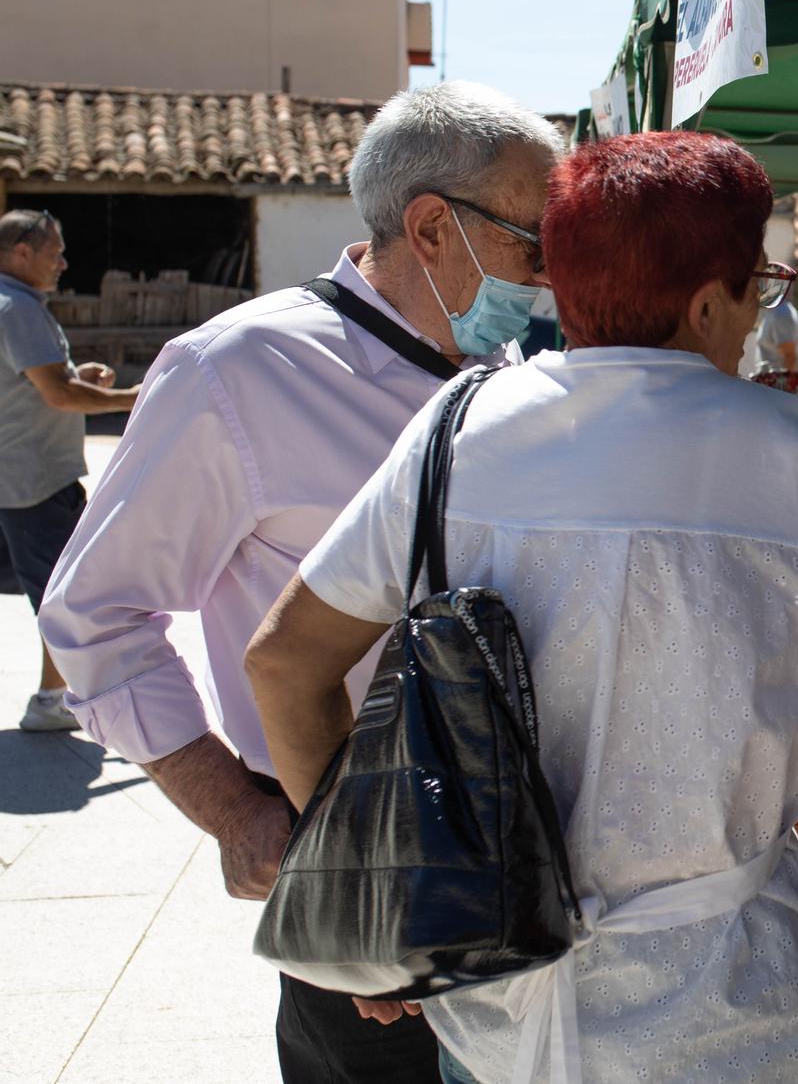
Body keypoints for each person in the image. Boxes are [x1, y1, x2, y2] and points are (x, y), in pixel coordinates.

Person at [244, 130, 798, 1084]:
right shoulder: (780, 448)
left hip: (493, 1007)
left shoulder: (461, 424)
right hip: (715, 1019)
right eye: (759, 284)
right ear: (711, 301)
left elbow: (283, 661)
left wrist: (375, 887)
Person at [39, 80, 563, 1083]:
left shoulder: (506, 370)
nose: (548, 274)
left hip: (520, 844)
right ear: (432, 227)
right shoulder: (238, 370)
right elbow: (92, 610)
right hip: (364, 844)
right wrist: (231, 804)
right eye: (532, 245)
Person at [0, 210, 140, 730]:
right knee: (60, 596)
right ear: (22, 252)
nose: (63, 262)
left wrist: (75, 375)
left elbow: (39, 382)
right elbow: (57, 395)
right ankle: (49, 701)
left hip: (23, 476)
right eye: (54, 251)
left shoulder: (15, 304)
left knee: (57, 586)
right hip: (33, 481)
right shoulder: (17, 308)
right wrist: (131, 397)